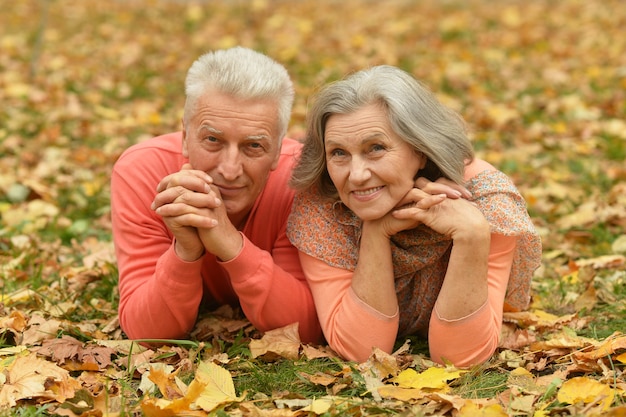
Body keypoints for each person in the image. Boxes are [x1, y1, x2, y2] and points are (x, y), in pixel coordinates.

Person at [287, 65, 542, 367]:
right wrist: (376, 233)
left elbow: (460, 357)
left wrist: (472, 235)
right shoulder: (323, 204)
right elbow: (361, 351)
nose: (356, 176)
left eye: (376, 148)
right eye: (339, 153)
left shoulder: (488, 200)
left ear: (420, 149)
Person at [111, 47, 322, 344]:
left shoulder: (301, 179)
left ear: (277, 150)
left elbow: (307, 327)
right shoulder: (142, 171)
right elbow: (146, 332)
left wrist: (232, 245)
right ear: (185, 138)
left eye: (253, 146)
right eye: (213, 140)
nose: (230, 169)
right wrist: (185, 251)